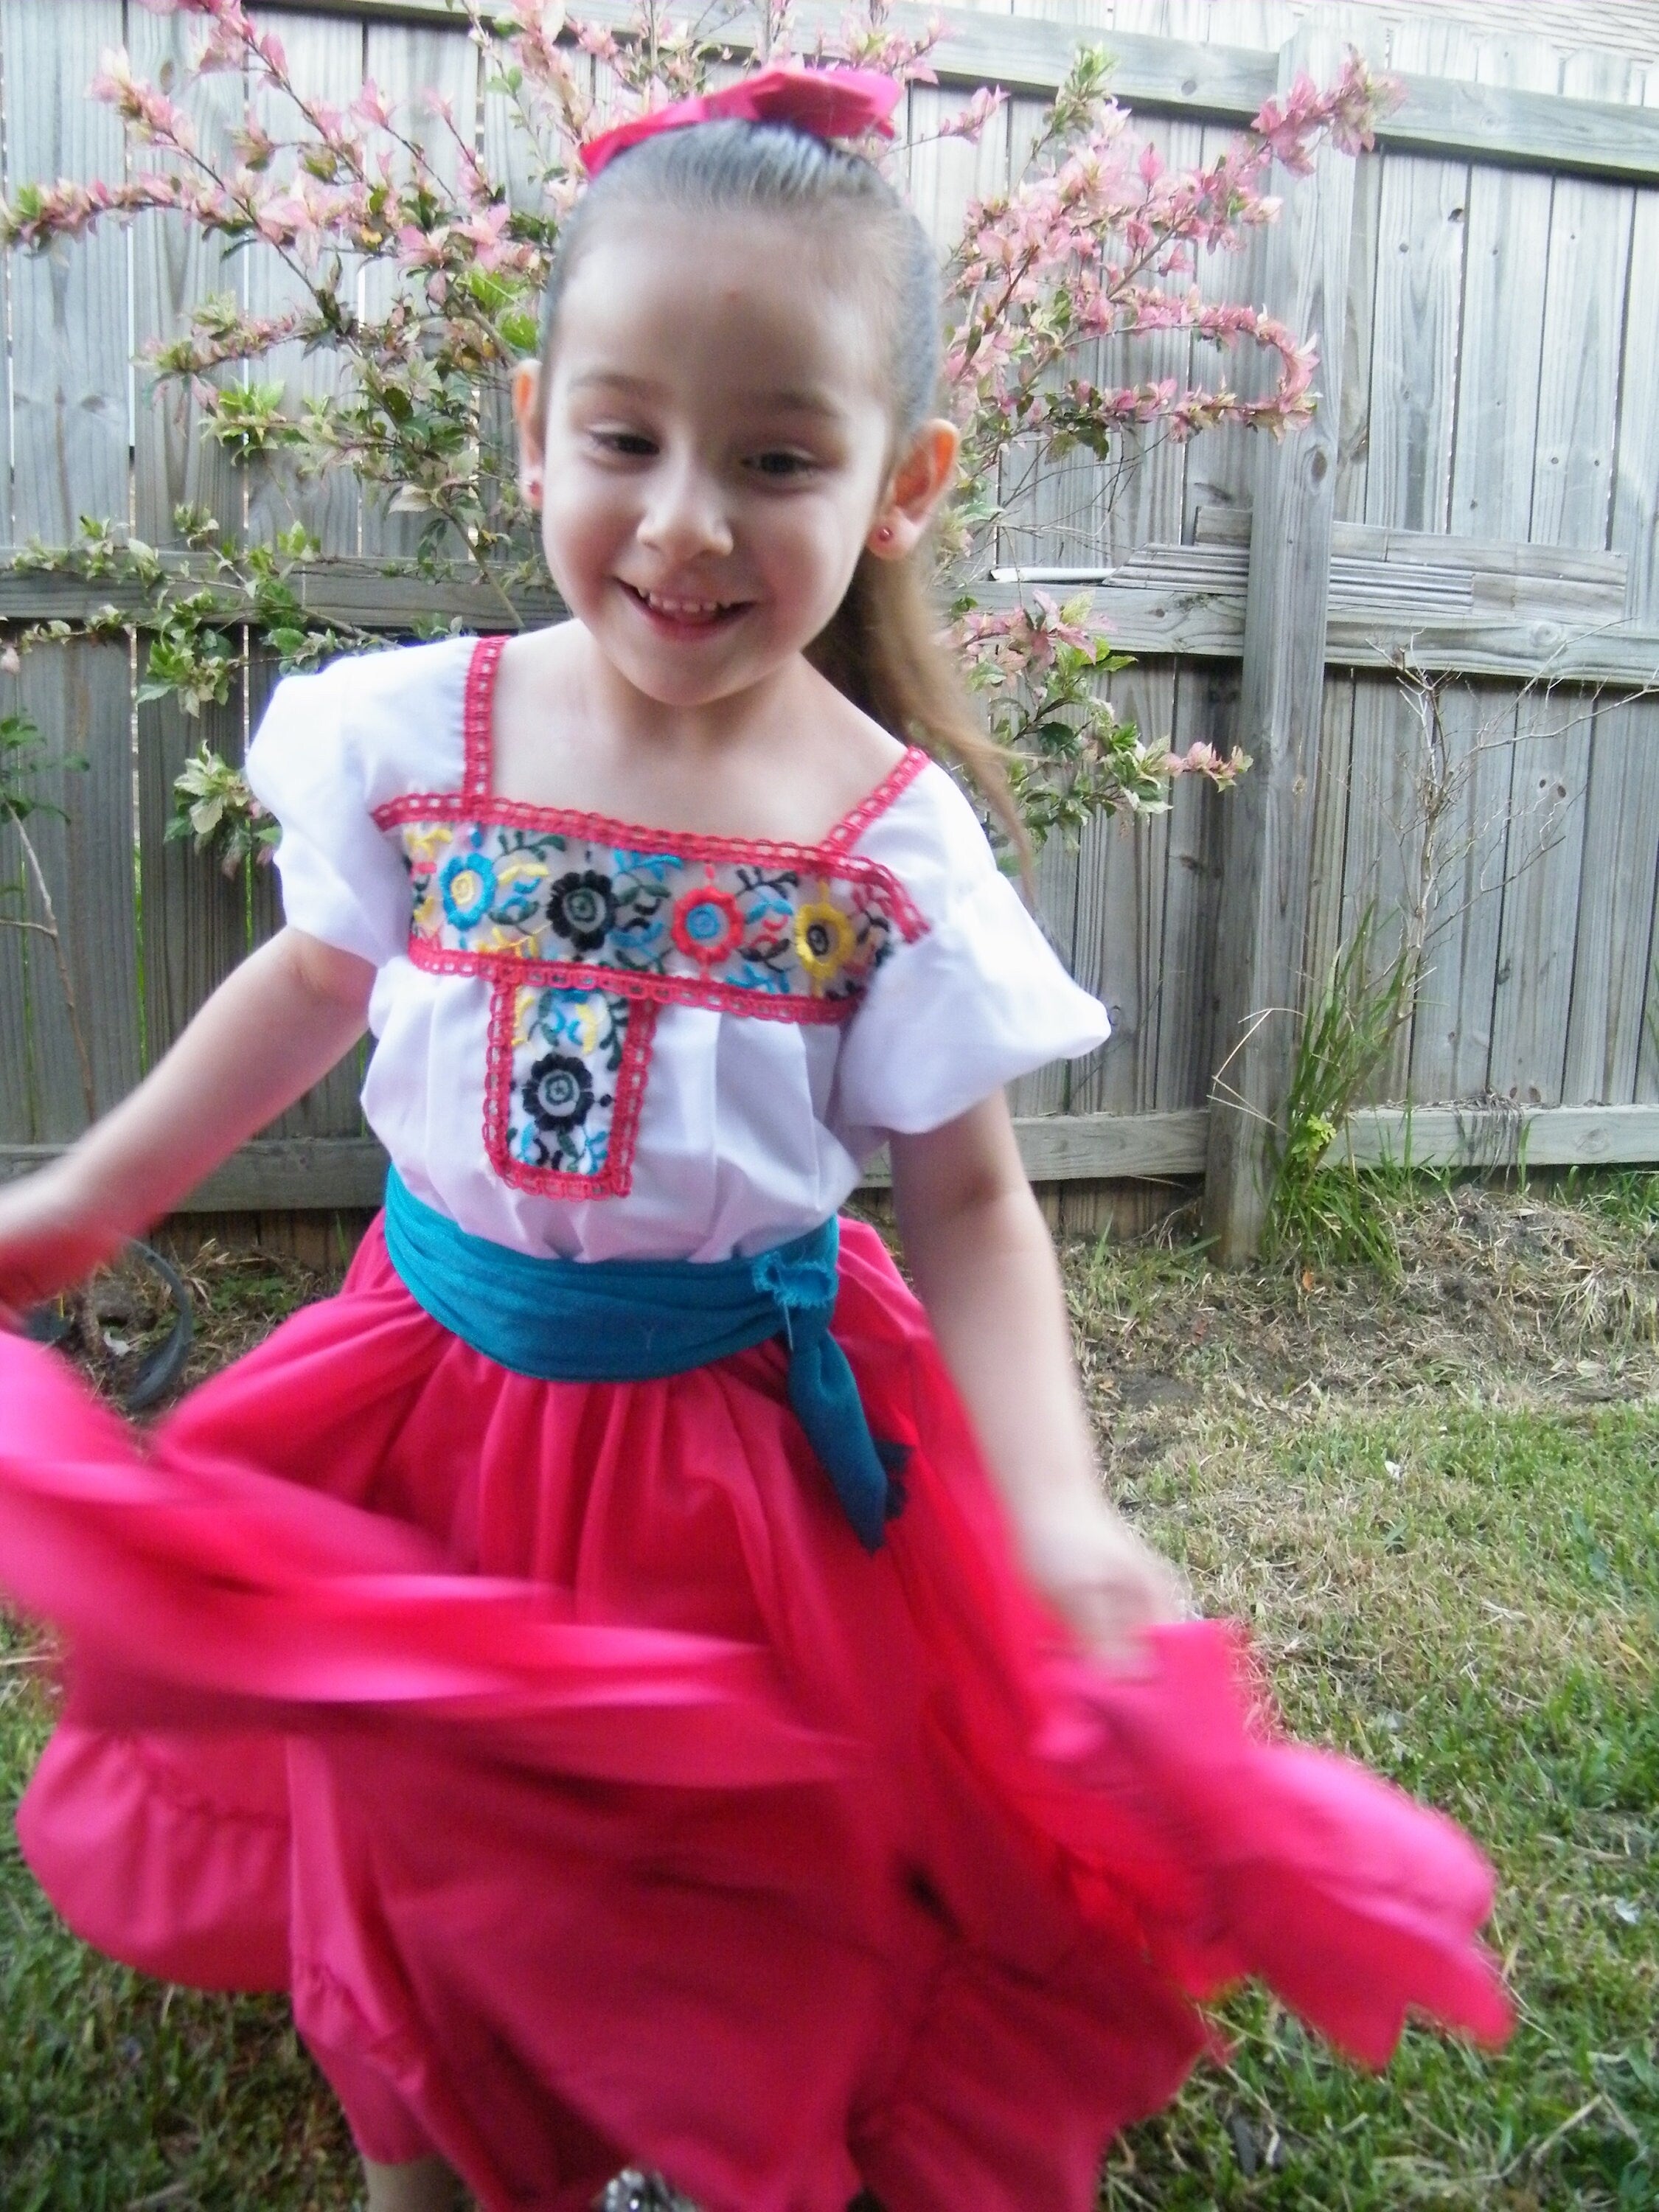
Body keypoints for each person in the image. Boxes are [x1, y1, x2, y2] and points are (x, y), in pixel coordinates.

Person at [0, 66, 1507, 2212]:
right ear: (536, 427)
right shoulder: (416, 738)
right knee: (413, 1803)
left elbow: (972, 1202)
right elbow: (313, 987)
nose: (686, 519)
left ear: (900, 484)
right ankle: (418, 2145)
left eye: (776, 457)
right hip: (423, 1402)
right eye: (624, 441)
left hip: (730, 1462)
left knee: (699, 1841)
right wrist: (84, 1193)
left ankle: (677, 2120)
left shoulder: (888, 851)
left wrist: (1057, 1508)